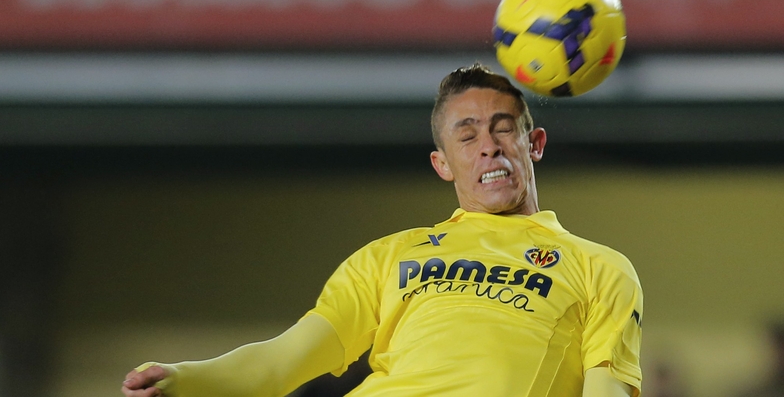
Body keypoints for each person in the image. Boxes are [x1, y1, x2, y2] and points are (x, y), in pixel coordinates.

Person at [122, 63, 643, 397]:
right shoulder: (386, 257)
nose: (489, 146)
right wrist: (183, 379)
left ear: (535, 145)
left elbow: (607, 389)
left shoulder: (600, 268)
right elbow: (284, 362)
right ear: (442, 164)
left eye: (503, 129)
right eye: (467, 137)